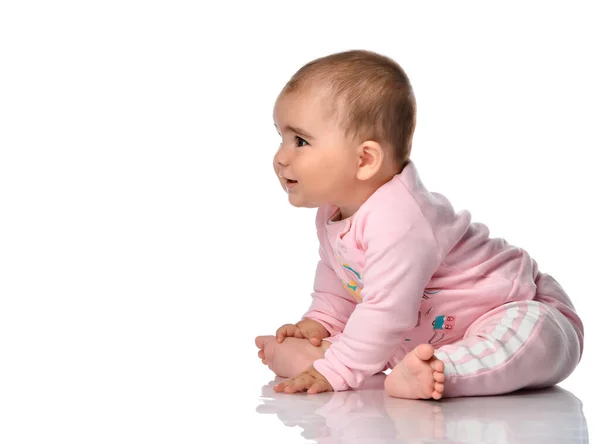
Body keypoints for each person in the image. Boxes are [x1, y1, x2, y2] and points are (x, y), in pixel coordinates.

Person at [255, 49, 584, 399]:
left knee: (529, 336)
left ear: (365, 159)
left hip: (513, 305)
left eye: (300, 141)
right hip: (424, 335)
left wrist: (335, 370)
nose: (280, 157)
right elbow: (338, 282)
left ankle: (442, 371)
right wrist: (319, 324)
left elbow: (386, 309)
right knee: (333, 347)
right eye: (281, 137)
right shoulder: (333, 211)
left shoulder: (398, 217)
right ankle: (421, 368)